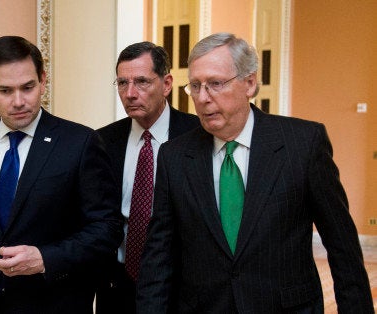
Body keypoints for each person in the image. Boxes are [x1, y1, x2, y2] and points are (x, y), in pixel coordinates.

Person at [136, 32, 373, 313]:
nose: (202, 98)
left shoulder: (303, 144)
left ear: (249, 83)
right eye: (195, 86)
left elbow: (342, 247)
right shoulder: (175, 156)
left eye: (215, 84)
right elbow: (159, 256)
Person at [0, 35, 123, 314]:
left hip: (51, 303)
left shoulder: (79, 143)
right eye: (6, 90)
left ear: (42, 80)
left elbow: (106, 230)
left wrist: (44, 258)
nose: (18, 101)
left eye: (27, 87)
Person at [95, 42, 199, 313]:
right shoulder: (103, 141)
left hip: (182, 286)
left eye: (141, 82)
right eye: (122, 83)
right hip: (117, 286)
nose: (130, 93)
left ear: (166, 84)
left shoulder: (198, 136)